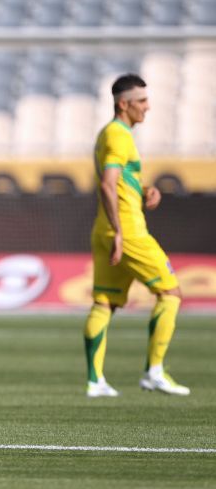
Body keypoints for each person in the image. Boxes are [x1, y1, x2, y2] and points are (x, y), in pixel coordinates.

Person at [83, 73, 189, 398]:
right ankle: (154, 372)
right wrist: (119, 231)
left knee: (104, 302)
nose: (148, 106)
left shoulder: (110, 133)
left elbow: (120, 178)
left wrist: (144, 189)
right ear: (123, 104)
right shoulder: (118, 135)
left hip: (105, 229)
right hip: (127, 231)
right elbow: (107, 184)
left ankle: (95, 381)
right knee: (170, 292)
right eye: (141, 101)